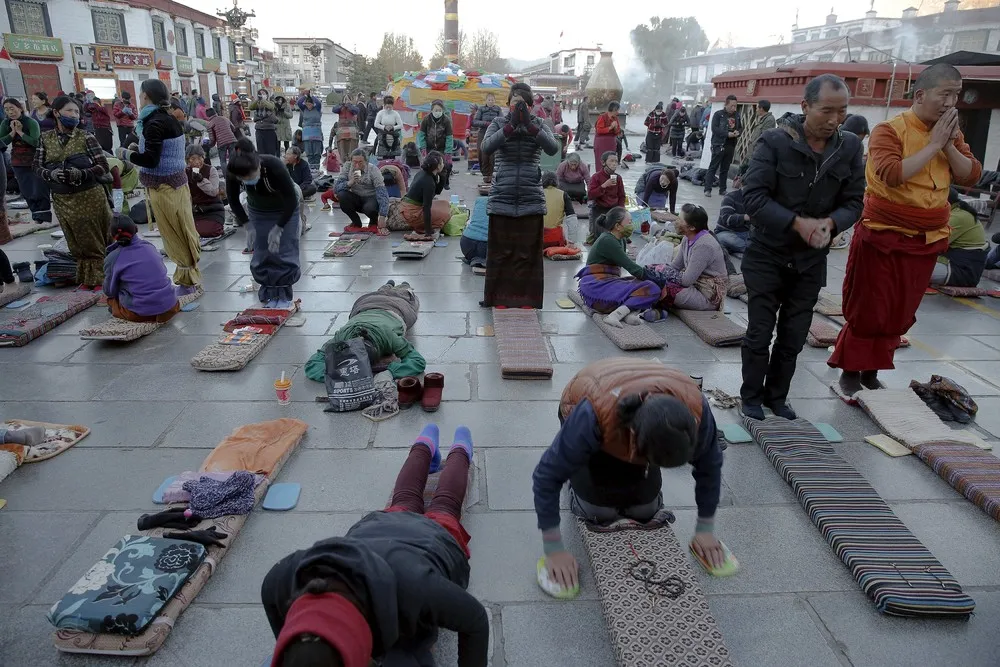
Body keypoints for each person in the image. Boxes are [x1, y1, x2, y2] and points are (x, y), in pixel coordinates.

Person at [261, 424, 487, 667]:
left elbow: (475, 620)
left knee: (445, 506)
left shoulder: (416, 589)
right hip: (375, 529)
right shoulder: (280, 580)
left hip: (433, 540)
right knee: (406, 498)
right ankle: (425, 442)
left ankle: (461, 448)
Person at [828, 65, 981, 394]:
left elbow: (971, 175)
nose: (951, 101)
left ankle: (872, 371)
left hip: (926, 239)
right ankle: (850, 372)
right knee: (871, 305)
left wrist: (948, 144)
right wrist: (933, 144)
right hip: (884, 234)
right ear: (921, 94)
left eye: (956, 95)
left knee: (900, 308)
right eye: (945, 93)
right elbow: (891, 173)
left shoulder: (951, 134)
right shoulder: (890, 130)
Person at [532, 358, 726, 593]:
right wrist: (554, 549)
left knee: (645, 510)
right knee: (598, 511)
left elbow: (710, 465)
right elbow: (546, 476)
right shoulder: (591, 414)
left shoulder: (696, 409)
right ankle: (579, 478)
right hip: (591, 397)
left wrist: (705, 530)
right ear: (634, 436)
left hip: (641, 413)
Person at [741, 74, 864, 419]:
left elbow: (856, 201)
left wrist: (832, 223)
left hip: (810, 261)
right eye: (826, 111)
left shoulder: (850, 146)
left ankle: (777, 398)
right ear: (805, 106)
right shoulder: (774, 142)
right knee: (759, 332)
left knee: (793, 336)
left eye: (841, 112)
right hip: (767, 254)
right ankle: (751, 397)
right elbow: (753, 198)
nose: (834, 120)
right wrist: (797, 223)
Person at [479, 82, 560, 309]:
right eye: (514, 104)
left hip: (530, 192)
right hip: (503, 190)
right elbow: (486, 148)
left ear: (531, 106)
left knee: (528, 251)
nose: (518, 108)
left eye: (522, 104)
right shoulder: (498, 122)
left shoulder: (539, 124)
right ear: (508, 105)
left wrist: (530, 128)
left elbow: (553, 148)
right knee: (500, 250)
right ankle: (499, 298)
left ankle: (527, 299)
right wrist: (510, 126)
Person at [117, 78, 202, 293]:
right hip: (175, 184)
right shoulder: (167, 118)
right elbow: (161, 151)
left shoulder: (154, 122)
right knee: (183, 228)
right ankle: (188, 277)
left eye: (140, 94)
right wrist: (139, 148)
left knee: (174, 232)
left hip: (165, 187)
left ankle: (186, 281)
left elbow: (151, 160)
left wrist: (127, 154)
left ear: (146, 96)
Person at [32, 95, 113, 289]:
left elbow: (103, 166)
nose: (74, 115)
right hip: (62, 199)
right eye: (69, 111)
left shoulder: (86, 137)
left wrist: (83, 173)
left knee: (95, 239)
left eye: (76, 112)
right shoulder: (46, 138)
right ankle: (86, 278)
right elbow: (36, 165)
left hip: (88, 196)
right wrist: (50, 173)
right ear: (57, 113)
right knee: (75, 240)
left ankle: (104, 281)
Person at [226, 137, 300, 308]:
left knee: (283, 249)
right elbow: (233, 200)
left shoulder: (273, 165)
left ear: (258, 166)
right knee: (261, 251)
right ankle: (267, 292)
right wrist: (247, 224)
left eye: (251, 176)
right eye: (244, 179)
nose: (249, 180)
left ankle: (283, 295)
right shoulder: (234, 170)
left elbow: (291, 200)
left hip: (285, 209)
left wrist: (279, 227)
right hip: (258, 211)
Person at [304, 281, 426, 382]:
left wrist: (390, 372)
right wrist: (340, 375)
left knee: (406, 294)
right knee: (384, 292)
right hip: (366, 303)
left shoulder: (387, 335)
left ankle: (402, 286)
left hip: (396, 306)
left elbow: (418, 362)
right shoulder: (344, 335)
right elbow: (312, 365)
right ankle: (388, 286)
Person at [576, 207, 663, 327]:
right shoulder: (608, 240)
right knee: (652, 287)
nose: (632, 225)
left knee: (643, 285)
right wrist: (656, 278)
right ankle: (614, 316)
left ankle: (627, 313)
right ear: (618, 226)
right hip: (595, 287)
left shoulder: (620, 239)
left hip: (608, 281)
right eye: (629, 222)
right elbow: (632, 268)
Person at [103, 215, 181, 323]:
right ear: (136, 229)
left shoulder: (112, 258)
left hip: (141, 314)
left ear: (112, 235)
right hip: (171, 306)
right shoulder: (149, 246)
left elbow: (109, 291)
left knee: (111, 300)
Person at [658, 203, 729, 312]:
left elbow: (686, 280)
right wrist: (659, 272)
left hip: (707, 296)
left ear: (692, 227)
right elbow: (675, 266)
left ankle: (648, 309)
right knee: (654, 276)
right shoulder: (687, 238)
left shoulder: (704, 245)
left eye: (680, 220)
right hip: (693, 286)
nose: (676, 222)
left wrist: (663, 272)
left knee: (659, 288)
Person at [0, 98, 51, 223]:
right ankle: (36, 216)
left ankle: (44, 215)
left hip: (35, 160)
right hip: (18, 161)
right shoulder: (5, 124)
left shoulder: (31, 122)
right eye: (6, 109)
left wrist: (20, 132)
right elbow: (1, 143)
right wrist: (12, 133)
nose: (10, 112)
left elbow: (36, 142)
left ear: (20, 108)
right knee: (26, 189)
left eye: (12, 108)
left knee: (40, 188)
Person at [930, 189, 989, 287]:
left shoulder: (958, 216)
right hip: (956, 265)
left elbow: (933, 243)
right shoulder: (955, 211)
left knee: (910, 270)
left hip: (961, 271)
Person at [400, 150, 450, 241]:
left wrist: (443, 176)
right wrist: (428, 231)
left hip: (411, 208)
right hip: (412, 213)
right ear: (437, 166)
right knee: (446, 214)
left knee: (445, 204)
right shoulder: (428, 181)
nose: (444, 164)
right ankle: (422, 227)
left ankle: (423, 225)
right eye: (442, 162)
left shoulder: (424, 173)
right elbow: (426, 207)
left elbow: (437, 192)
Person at [335, 148, 389, 233]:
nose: (357, 165)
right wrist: (350, 182)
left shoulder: (373, 170)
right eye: (354, 162)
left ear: (366, 161)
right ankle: (356, 221)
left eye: (360, 162)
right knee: (342, 195)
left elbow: (382, 193)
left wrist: (383, 216)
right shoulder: (347, 167)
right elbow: (336, 188)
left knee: (369, 208)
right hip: (356, 197)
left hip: (371, 198)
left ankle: (373, 220)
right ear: (351, 160)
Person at [704, 95, 743, 197]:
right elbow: (714, 129)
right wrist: (727, 134)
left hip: (731, 145)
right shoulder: (718, 115)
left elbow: (740, 128)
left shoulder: (737, 115)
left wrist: (737, 132)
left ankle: (723, 189)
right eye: (731, 106)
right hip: (719, 144)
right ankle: (707, 189)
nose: (734, 108)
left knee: (725, 168)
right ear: (726, 104)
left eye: (735, 106)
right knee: (713, 167)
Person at [586, 151, 626, 246]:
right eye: (611, 161)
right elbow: (590, 195)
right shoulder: (596, 177)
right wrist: (604, 185)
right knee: (600, 238)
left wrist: (621, 210)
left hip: (614, 209)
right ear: (603, 163)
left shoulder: (618, 178)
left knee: (619, 235)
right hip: (599, 209)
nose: (614, 164)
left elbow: (621, 196)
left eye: (616, 161)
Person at [186, 144, 225, 238]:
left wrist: (201, 180)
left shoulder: (211, 170)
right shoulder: (186, 172)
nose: (197, 162)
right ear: (188, 160)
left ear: (204, 157)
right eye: (192, 159)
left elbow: (213, 192)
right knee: (188, 231)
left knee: (207, 231)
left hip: (212, 209)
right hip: (196, 210)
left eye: (200, 158)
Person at [416, 100, 454, 190]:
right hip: (429, 147)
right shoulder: (426, 119)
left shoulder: (446, 120)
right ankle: (431, 183)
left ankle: (445, 182)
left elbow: (449, 136)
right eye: (436, 110)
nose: (438, 112)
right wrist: (423, 148)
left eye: (440, 110)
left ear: (443, 110)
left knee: (446, 166)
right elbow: (421, 135)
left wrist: (448, 151)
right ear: (432, 110)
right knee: (429, 166)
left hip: (442, 147)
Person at [473, 93, 502, 185]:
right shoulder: (481, 109)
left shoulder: (498, 109)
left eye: (492, 100)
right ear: (486, 101)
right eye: (489, 100)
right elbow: (475, 121)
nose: (491, 101)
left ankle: (493, 174)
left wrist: (494, 124)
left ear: (495, 100)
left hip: (494, 133)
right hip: (483, 133)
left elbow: (502, 120)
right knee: (482, 153)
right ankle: (485, 174)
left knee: (493, 154)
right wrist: (486, 123)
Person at [541, 171, 575, 247]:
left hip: (538, 240)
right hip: (555, 240)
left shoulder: (537, 194)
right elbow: (572, 220)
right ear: (556, 181)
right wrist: (571, 242)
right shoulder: (563, 194)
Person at [715, 187, 750, 255]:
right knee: (724, 239)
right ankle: (750, 250)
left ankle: (737, 249)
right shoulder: (730, 196)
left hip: (744, 233)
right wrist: (745, 217)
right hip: (726, 232)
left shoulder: (755, 199)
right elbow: (726, 219)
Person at [205, 107, 238, 176]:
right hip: (232, 141)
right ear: (215, 112)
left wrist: (210, 145)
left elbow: (212, 139)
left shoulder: (210, 124)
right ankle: (234, 174)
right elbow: (234, 129)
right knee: (233, 159)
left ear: (207, 116)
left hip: (222, 144)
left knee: (223, 161)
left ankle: (227, 177)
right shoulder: (225, 118)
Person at [105, 153, 139, 217]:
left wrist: (117, 210)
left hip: (128, 174)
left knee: (121, 197)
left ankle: (123, 216)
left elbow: (117, 189)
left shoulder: (113, 168)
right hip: (114, 175)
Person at [461, 196, 489, 269]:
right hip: (487, 247)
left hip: (466, 243)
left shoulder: (480, 199)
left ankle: (476, 259)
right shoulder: (509, 202)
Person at [249, 90, 279, 157]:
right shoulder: (257, 104)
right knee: (261, 150)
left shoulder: (271, 102)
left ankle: (271, 164)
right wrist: (257, 100)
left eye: (263, 93)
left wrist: (263, 100)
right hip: (259, 129)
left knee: (270, 150)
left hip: (269, 129)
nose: (262, 95)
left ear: (267, 95)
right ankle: (262, 164)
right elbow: (250, 107)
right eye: (260, 93)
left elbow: (271, 107)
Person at [296, 96, 323, 169]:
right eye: (307, 104)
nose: (308, 106)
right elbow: (299, 102)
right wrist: (304, 95)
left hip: (316, 132)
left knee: (317, 152)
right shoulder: (304, 109)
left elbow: (318, 102)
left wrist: (311, 95)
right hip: (306, 133)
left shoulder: (317, 108)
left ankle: (317, 168)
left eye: (310, 104)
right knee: (309, 153)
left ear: (313, 104)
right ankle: (311, 169)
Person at [331, 96, 360, 163]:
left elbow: (356, 111)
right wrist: (342, 105)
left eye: (348, 99)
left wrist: (349, 105)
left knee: (352, 149)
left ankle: (351, 160)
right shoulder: (340, 107)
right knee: (342, 149)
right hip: (341, 131)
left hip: (352, 130)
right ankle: (343, 161)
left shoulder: (353, 107)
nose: (346, 101)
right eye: (345, 99)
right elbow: (334, 110)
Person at [594, 101, 621, 169]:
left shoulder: (615, 119)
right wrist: (610, 127)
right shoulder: (602, 117)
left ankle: (610, 175)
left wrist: (615, 128)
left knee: (611, 159)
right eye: (617, 110)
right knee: (601, 160)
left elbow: (618, 132)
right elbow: (599, 130)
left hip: (611, 143)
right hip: (601, 143)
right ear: (614, 109)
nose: (618, 112)